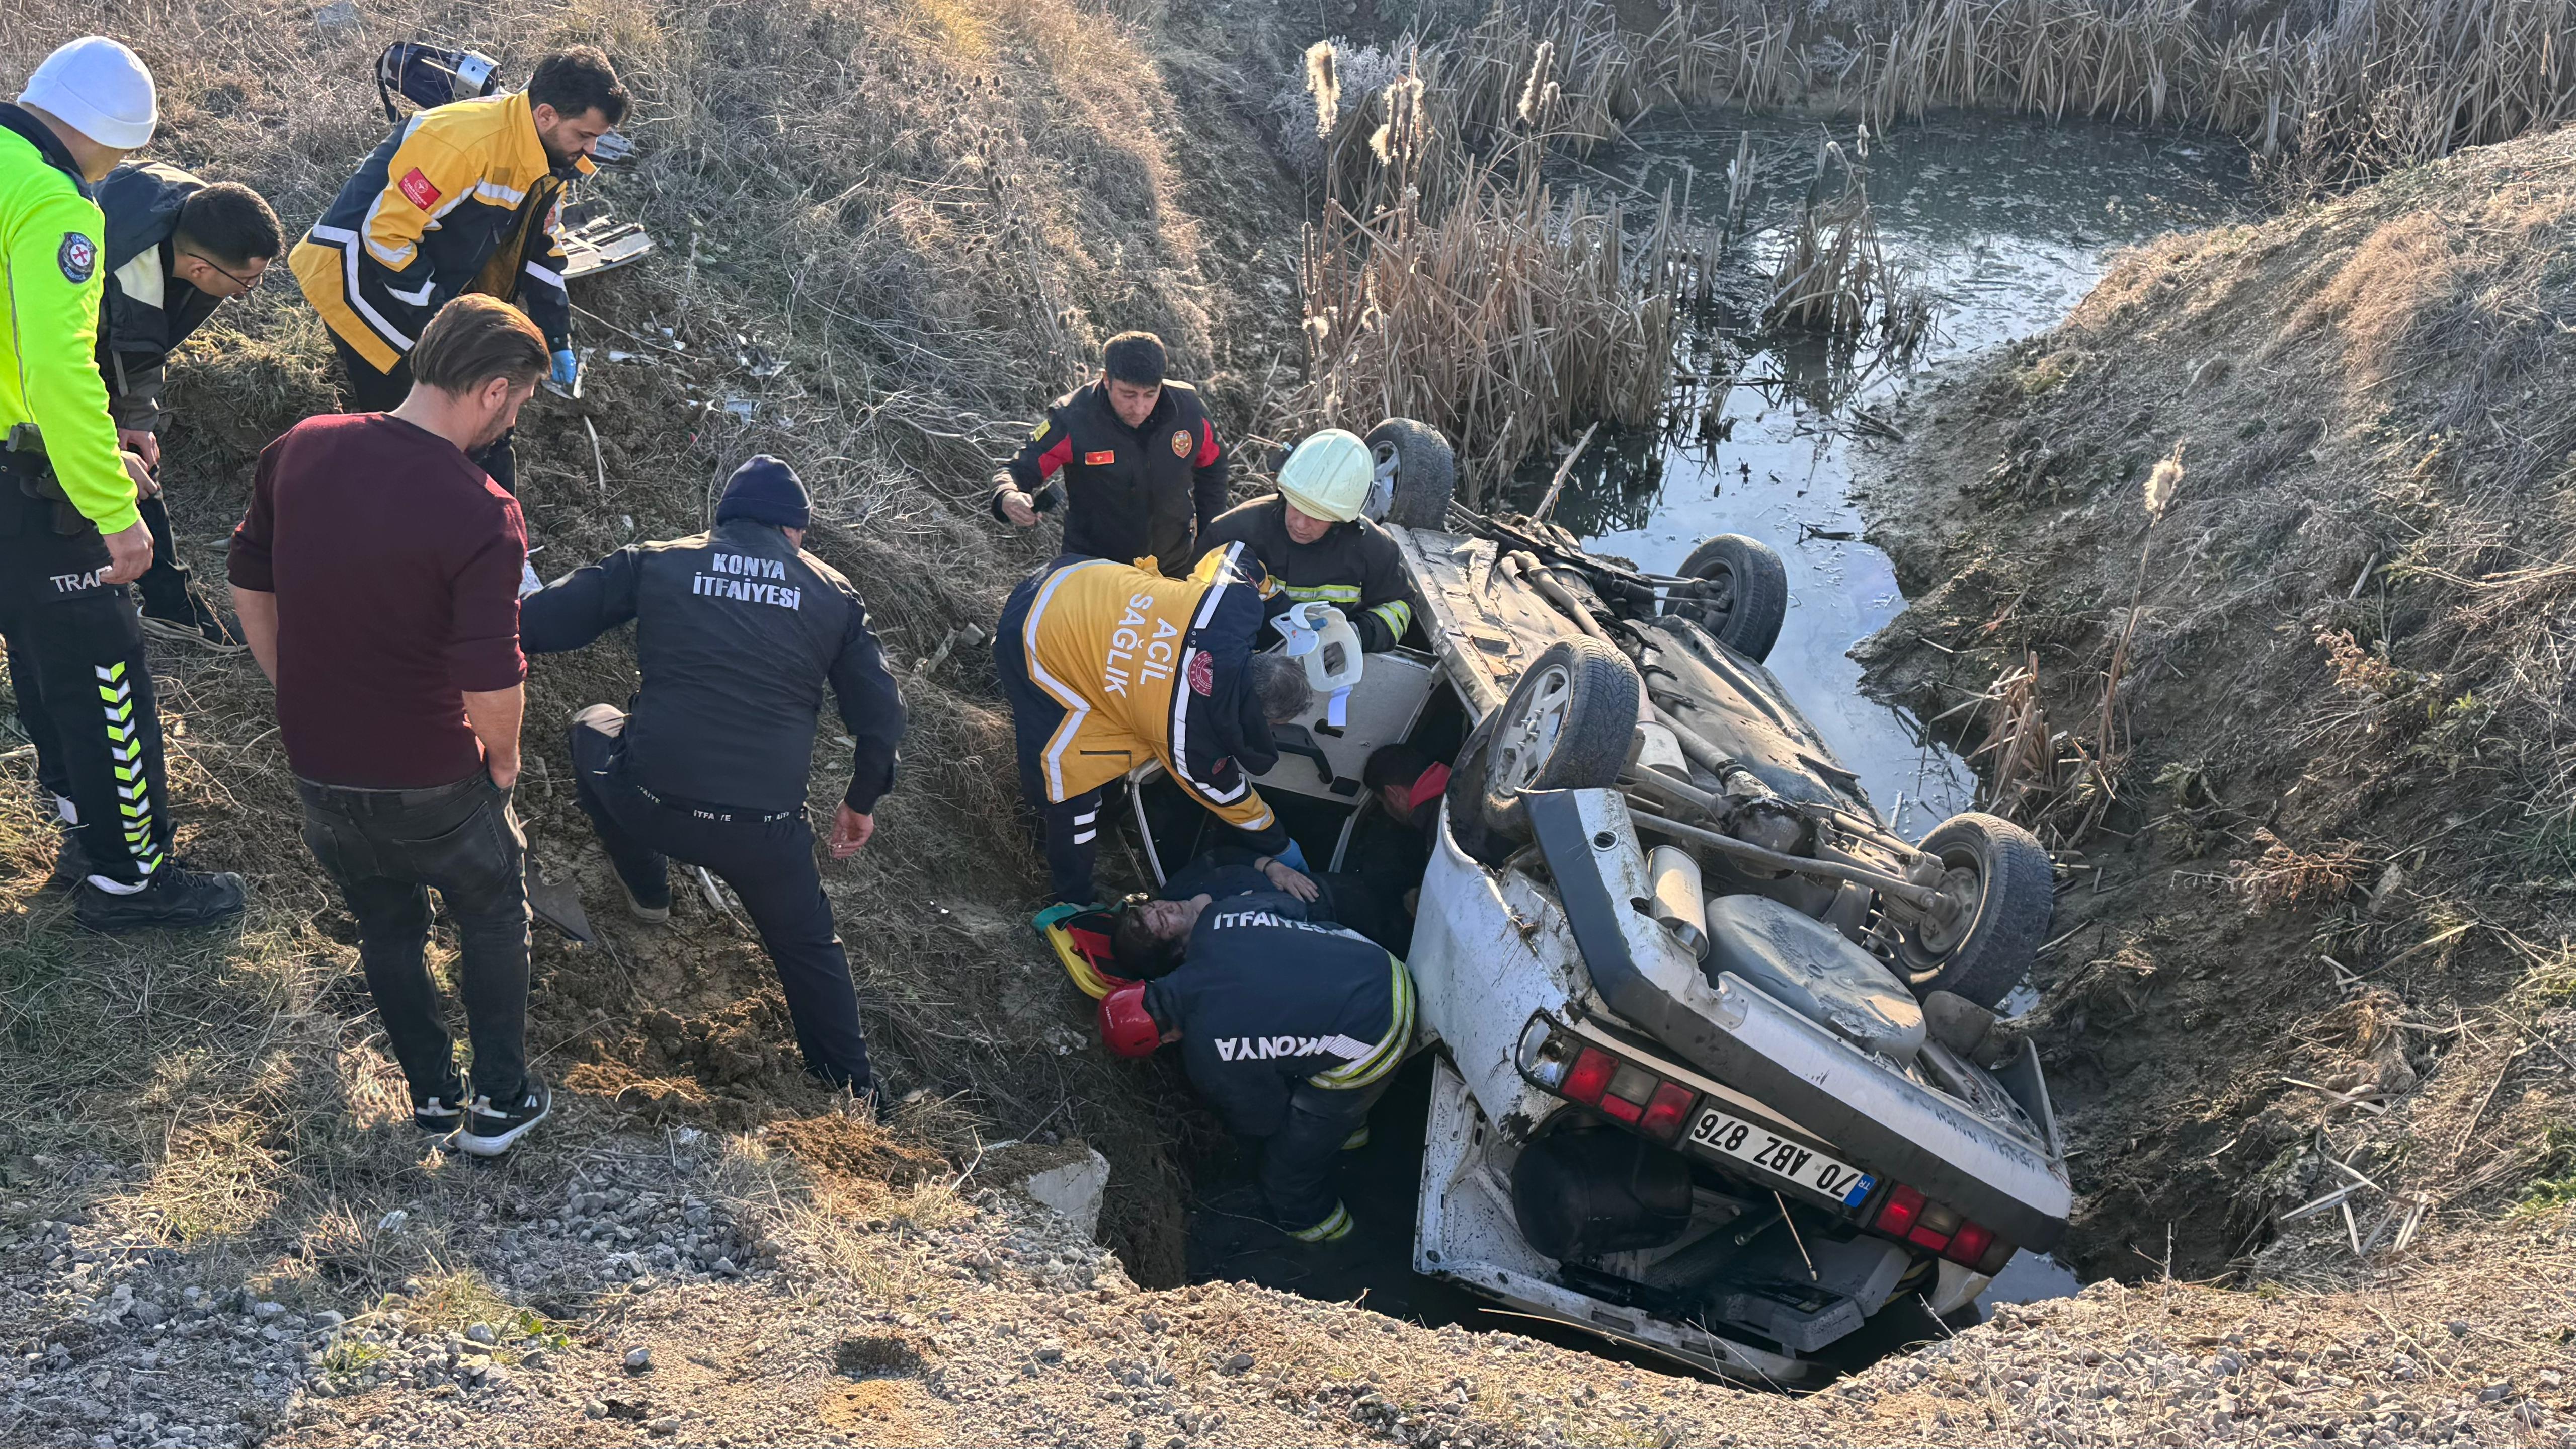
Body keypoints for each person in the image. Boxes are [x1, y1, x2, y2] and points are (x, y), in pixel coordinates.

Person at [227, 294, 547, 1157]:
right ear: (489, 389)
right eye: (516, 402)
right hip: (434, 774)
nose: (512, 419)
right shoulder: (482, 508)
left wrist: (293, 682)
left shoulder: (303, 446)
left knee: (387, 926)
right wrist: (505, 760)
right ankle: (502, 1102)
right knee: (491, 911)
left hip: (322, 767)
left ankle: (434, 1097)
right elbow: (491, 671)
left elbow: (247, 579)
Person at [518, 456, 903, 1095]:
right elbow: (882, 714)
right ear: (796, 532)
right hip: (762, 834)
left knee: (593, 722)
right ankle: (854, 1093)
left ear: (721, 519)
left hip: (648, 799)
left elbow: (537, 624)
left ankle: (648, 893)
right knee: (810, 950)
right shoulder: (833, 594)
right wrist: (861, 799)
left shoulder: (661, 559)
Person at [2, 36, 246, 929]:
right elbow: (57, 372)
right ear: (111, 138)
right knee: (104, 667)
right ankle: (130, 878)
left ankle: (80, 832)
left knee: (37, 654)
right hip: (27, 479)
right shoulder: (54, 202)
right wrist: (113, 507)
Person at [289, 46, 628, 494]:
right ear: (546, 114)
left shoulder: (549, 158)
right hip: (357, 276)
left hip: (425, 273)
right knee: (420, 416)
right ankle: (386, 513)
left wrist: (557, 335)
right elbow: (386, 239)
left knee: (480, 407)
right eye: (584, 135)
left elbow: (541, 248)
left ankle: (488, 525)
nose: (591, 150)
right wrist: (445, 325)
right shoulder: (463, 142)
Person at [995, 543, 1308, 907]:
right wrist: (1279, 843)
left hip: (1069, 577)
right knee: (1072, 790)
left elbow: (1237, 554)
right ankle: (1074, 899)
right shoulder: (1191, 741)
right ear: (1261, 716)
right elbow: (1229, 797)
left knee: (1131, 721)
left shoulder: (1232, 606)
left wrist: (1277, 605)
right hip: (1033, 643)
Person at [1098, 887, 1416, 1242]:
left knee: (1288, 1168)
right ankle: (1349, 1130)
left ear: (1166, 1040)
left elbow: (1263, 1119)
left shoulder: (1210, 1053)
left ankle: (1329, 1237)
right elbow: (1293, 907)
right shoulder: (1215, 920)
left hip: (1380, 1032)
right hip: (1379, 963)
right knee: (1316, 1064)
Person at [94, 161, 281, 647]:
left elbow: (144, 335)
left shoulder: (199, 217)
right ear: (201, 269)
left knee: (136, 462)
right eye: (247, 283)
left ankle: (171, 606)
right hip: (32, 369)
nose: (249, 294)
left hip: (87, 349)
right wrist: (103, 448)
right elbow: (53, 370)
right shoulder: (98, 270)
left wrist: (135, 418)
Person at [989, 331, 1229, 576]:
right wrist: (1008, 496)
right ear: (1106, 380)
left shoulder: (1188, 409)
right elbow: (1017, 470)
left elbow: (1214, 467)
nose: (1139, 408)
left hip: (1173, 567)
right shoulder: (1072, 417)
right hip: (1095, 571)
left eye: (1150, 395)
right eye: (1128, 395)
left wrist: (1209, 540)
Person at [1198, 428, 1414, 652]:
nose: (1300, 524)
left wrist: (1357, 637)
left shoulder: (1374, 550)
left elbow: (1401, 605)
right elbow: (1187, 599)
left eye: (1318, 518)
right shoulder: (1233, 532)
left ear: (1342, 519)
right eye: (1296, 507)